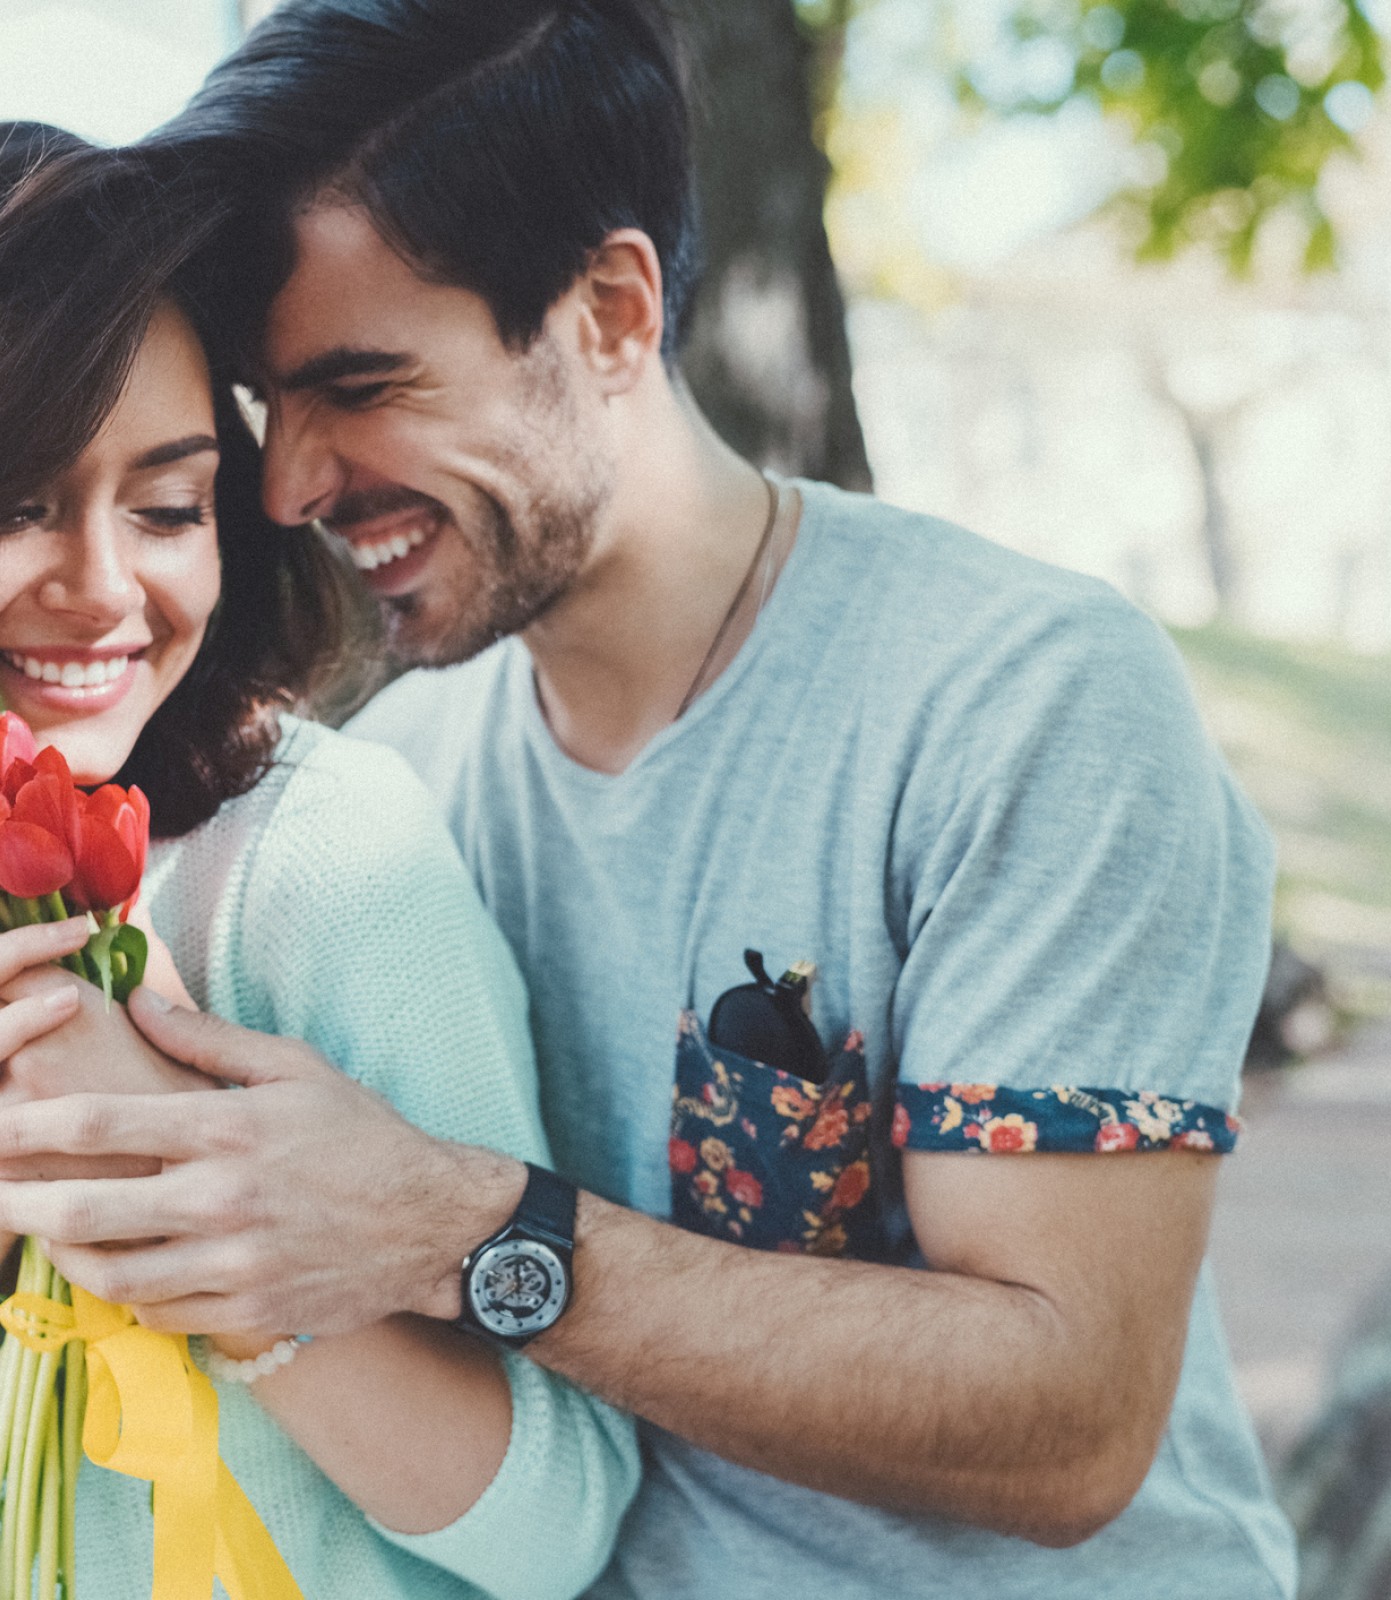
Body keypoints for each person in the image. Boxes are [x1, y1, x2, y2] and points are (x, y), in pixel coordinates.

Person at [0, 3, 1298, 1595]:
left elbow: (1069, 1424)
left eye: (366, 383)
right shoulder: (403, 782)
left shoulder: (1021, 702)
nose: (287, 486)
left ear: (612, 311)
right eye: (277, 408)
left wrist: (458, 1226)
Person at [0, 124, 637, 1600]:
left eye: (168, 506)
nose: (103, 590)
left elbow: (560, 1525)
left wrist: (182, 1196)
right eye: (18, 502)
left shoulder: (316, 860)